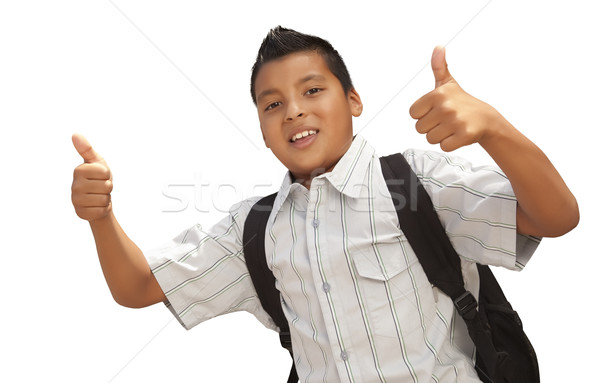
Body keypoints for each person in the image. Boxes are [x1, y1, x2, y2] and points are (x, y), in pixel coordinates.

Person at [71, 26, 579, 382]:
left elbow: (555, 217)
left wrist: (494, 128)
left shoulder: (417, 182)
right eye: (272, 104)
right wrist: (101, 217)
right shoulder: (255, 230)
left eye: (313, 89)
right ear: (263, 129)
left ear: (353, 100)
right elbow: (136, 286)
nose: (293, 110)